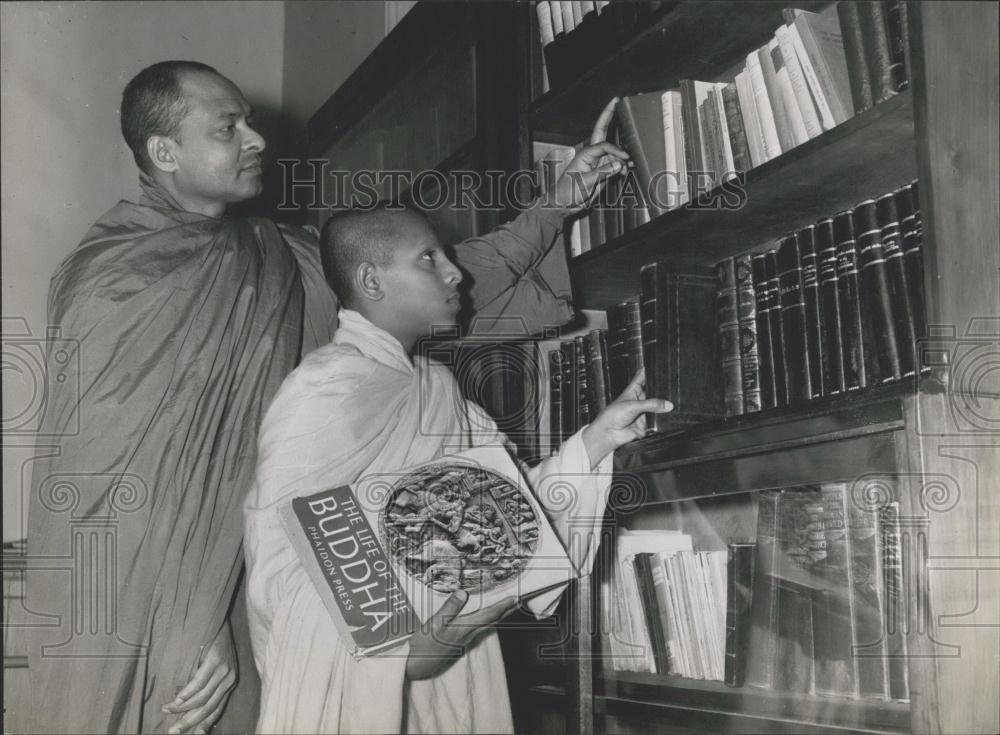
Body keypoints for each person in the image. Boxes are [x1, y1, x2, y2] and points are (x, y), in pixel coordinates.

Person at [24, 59, 627, 734]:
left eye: (249, 122)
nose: (255, 139)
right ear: (165, 152)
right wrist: (190, 624)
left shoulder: (279, 256)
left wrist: (558, 203)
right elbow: (103, 488)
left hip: (271, 593)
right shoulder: (111, 279)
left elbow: (437, 284)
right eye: (229, 127)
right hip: (150, 610)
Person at [243, 204, 672, 733]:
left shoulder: (439, 389)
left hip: (459, 656)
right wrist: (405, 650)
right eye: (429, 257)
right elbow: (277, 563)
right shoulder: (324, 389)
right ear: (371, 280)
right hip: (360, 682)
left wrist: (597, 440)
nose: (455, 272)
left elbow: (518, 517)